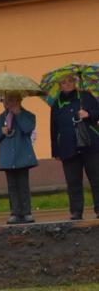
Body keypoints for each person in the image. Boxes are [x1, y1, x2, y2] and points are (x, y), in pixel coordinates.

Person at [47, 74, 99, 221]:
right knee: (73, 181)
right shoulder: (56, 104)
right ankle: (76, 211)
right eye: (64, 82)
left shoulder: (86, 96)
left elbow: (97, 112)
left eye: (70, 81)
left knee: (96, 179)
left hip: (91, 145)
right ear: (60, 86)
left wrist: (88, 113)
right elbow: (54, 128)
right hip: (68, 147)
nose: (68, 84)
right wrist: (55, 150)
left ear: (75, 82)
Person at [0, 96, 37, 224]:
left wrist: (18, 114)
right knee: (12, 187)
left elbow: (28, 129)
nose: (9, 103)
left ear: (19, 101)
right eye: (7, 101)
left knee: (23, 185)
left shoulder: (28, 115)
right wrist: (1, 132)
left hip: (22, 156)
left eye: (12, 100)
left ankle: (26, 212)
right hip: (8, 158)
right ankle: (15, 213)